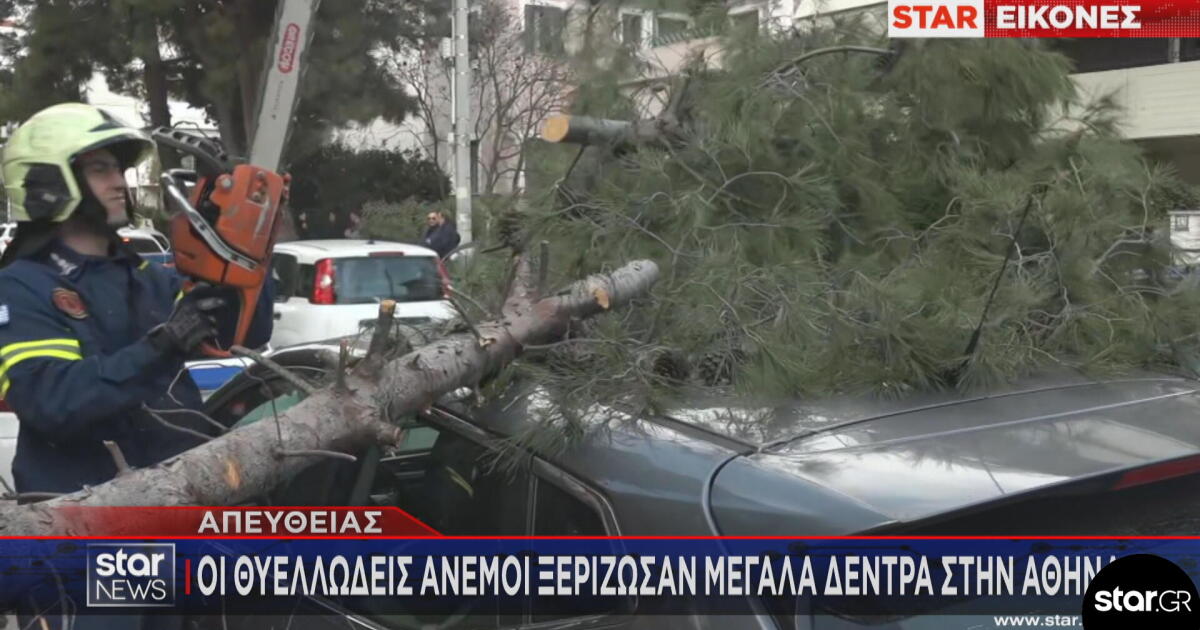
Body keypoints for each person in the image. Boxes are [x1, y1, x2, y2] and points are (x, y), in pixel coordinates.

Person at [0, 103, 274, 499]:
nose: (119, 183)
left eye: (119, 170)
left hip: (181, 494)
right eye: (101, 170)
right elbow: (53, 401)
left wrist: (243, 255)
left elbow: (243, 332)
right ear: (50, 182)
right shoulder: (21, 287)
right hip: (85, 510)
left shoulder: (146, 277)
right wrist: (162, 346)